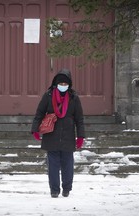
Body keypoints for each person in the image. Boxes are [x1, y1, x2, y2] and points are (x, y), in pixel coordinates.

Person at [31, 68, 85, 198]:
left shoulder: (74, 98)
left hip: (68, 136)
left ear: (69, 84)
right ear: (56, 84)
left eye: (65, 84)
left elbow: (79, 119)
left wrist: (80, 136)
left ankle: (67, 188)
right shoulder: (48, 96)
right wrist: (35, 129)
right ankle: (54, 190)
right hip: (51, 135)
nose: (63, 86)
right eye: (60, 84)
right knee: (53, 166)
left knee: (68, 165)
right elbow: (39, 113)